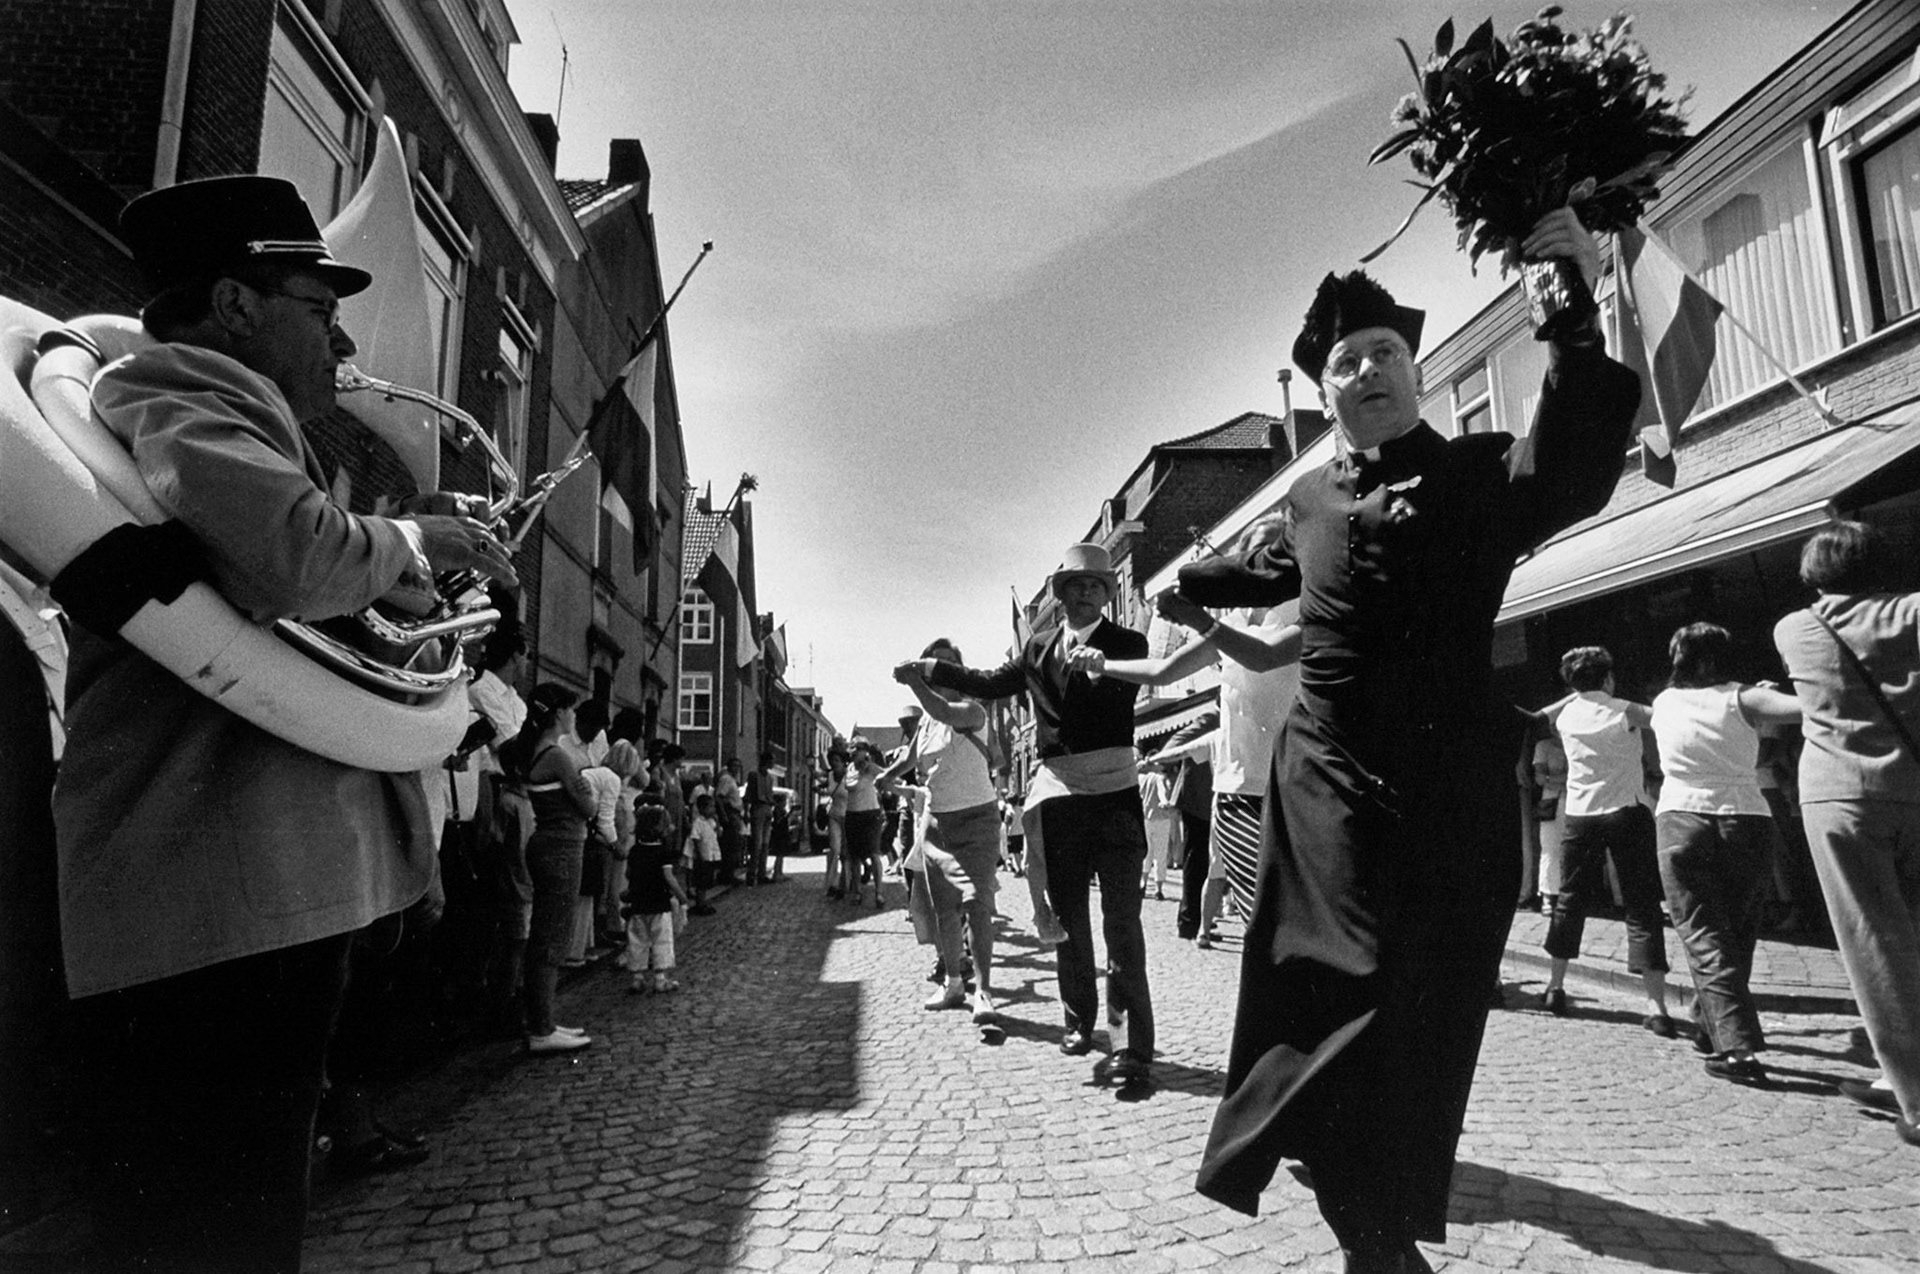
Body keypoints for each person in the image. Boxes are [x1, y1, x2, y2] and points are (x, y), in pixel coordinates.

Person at [51, 175, 516, 1273]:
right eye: (318, 305)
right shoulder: (179, 392)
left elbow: (299, 585)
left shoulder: (226, 406)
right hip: (214, 889)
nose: (343, 334)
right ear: (235, 303)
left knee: (245, 1205)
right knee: (222, 1220)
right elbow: (295, 558)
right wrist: (410, 545)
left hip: (247, 891)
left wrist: (405, 568)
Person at [1174, 210, 1641, 1270]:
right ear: (1328, 394)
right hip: (1325, 787)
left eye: (1386, 352)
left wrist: (1565, 308)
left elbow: (1570, 462)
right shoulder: (1307, 500)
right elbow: (1247, 569)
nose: (1369, 368)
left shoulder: (1480, 475)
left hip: (1444, 792)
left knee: (1414, 1022)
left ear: (1415, 373)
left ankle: (1368, 1214)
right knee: (1331, 998)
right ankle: (1375, 1239)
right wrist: (1197, 580)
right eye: (1347, 362)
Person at [908, 541, 1157, 1085]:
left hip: (1114, 796)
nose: (1085, 595)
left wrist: (1105, 670)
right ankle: (1078, 1021)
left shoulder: (1127, 643)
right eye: (1076, 586)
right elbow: (991, 683)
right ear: (1062, 595)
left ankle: (1129, 1043)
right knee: (1068, 920)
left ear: (1108, 596)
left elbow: (1140, 682)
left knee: (1121, 923)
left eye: (1096, 587)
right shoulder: (1038, 649)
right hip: (1059, 797)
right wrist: (931, 669)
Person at [1773, 520, 1920, 1147]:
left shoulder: (1795, 628)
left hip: (1838, 795)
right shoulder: (1913, 613)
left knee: (1874, 941)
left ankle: (1913, 1092)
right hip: (1915, 784)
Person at [1650, 623, 1802, 1083]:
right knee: (1737, 931)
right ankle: (1730, 1041)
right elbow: (1811, 708)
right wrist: (1765, 697)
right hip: (1747, 816)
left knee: (1703, 933)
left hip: (1681, 818)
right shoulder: (1745, 699)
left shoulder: (1663, 702)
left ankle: (1723, 1037)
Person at [1537, 645, 1675, 1033]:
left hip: (1580, 815)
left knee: (1569, 899)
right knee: (1641, 903)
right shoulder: (1625, 710)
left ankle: (1555, 986)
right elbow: (1666, 719)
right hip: (1626, 810)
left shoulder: (1564, 715)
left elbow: (1536, 717)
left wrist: (1578, 691)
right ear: (1609, 677)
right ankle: (1657, 1007)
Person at [894, 639, 1007, 1024]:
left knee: (976, 907)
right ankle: (953, 981)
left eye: (948, 665)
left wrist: (913, 680)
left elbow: (940, 708)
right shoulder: (926, 721)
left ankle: (985, 992)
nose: (939, 671)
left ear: (960, 672)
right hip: (937, 821)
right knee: (945, 909)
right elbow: (912, 754)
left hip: (976, 818)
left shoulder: (971, 709)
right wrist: (887, 777)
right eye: (933, 664)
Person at [503, 683, 597, 1054]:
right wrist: (585, 784)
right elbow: (587, 806)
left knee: (544, 935)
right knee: (552, 938)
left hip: (546, 846)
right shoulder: (557, 755)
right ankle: (542, 1027)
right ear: (558, 713)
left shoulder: (530, 751)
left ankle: (543, 1020)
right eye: (570, 709)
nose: (574, 715)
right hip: (562, 849)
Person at [624, 803, 692, 994]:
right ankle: (660, 979)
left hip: (638, 903)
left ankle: (637, 978)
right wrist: (682, 897)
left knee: (637, 940)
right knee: (661, 940)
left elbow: (629, 874)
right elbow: (669, 878)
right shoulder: (663, 852)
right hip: (659, 903)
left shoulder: (635, 851)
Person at [843, 740, 890, 909]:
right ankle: (857, 891)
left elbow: (888, 775)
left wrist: (896, 789)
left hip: (870, 815)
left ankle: (879, 892)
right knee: (854, 856)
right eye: (852, 748)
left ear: (865, 752)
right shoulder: (849, 769)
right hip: (852, 815)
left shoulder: (870, 768)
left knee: (874, 853)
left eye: (858, 749)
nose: (854, 751)